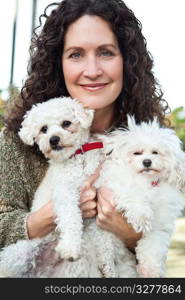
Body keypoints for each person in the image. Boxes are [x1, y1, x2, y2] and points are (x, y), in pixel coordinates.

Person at [0, 0, 169, 266]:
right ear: (59, 62)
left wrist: (131, 236)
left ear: (126, 60)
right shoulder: (18, 141)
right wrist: (48, 216)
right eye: (76, 54)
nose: (92, 71)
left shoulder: (147, 141)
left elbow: (162, 228)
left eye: (106, 53)